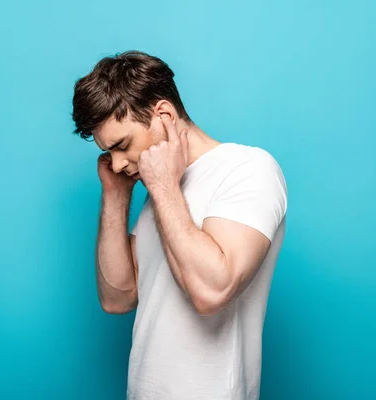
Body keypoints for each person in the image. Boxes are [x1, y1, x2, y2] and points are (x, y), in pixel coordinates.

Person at [71, 50, 288, 400]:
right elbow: (117, 298)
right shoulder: (160, 190)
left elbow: (211, 292)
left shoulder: (248, 169)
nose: (117, 163)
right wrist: (115, 196)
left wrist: (163, 188)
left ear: (164, 115)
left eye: (122, 146)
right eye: (109, 153)